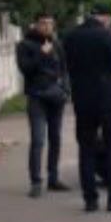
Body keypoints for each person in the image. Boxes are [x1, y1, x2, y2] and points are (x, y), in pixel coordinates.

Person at [62, 3, 111, 213]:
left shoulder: (71, 37)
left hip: (82, 97)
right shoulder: (106, 35)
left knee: (86, 147)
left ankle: (90, 200)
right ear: (106, 17)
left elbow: (66, 64)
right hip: (107, 97)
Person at [15, 13, 70, 198]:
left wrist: (66, 90)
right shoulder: (25, 45)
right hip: (37, 96)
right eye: (43, 24)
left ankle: (53, 178)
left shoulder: (57, 44)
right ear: (36, 25)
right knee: (38, 140)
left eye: (50, 24)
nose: (47, 27)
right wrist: (41, 53)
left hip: (56, 96)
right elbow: (26, 69)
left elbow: (64, 68)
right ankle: (36, 181)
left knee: (56, 138)